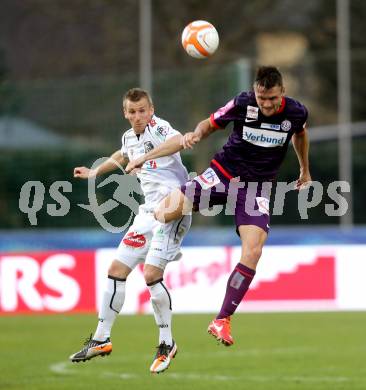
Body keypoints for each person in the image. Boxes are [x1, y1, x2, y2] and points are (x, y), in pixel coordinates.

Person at [126, 66, 311, 346]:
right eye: (262, 99)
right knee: (164, 212)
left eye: (272, 98)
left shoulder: (296, 113)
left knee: (253, 250)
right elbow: (209, 122)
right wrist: (197, 135)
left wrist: (304, 169)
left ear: (282, 93)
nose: (267, 104)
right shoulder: (242, 103)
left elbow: (300, 134)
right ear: (255, 93)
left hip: (256, 188)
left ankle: (222, 319)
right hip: (223, 174)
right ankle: (175, 232)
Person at [69, 88, 191, 373]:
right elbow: (123, 155)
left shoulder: (159, 128)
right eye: (132, 112)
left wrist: (143, 158)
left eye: (142, 111)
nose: (138, 117)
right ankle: (101, 338)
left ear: (151, 109)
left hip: (173, 208)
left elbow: (178, 141)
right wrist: (95, 171)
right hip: (148, 213)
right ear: (125, 113)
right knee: (116, 270)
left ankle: (166, 343)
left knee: (150, 274)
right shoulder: (128, 137)